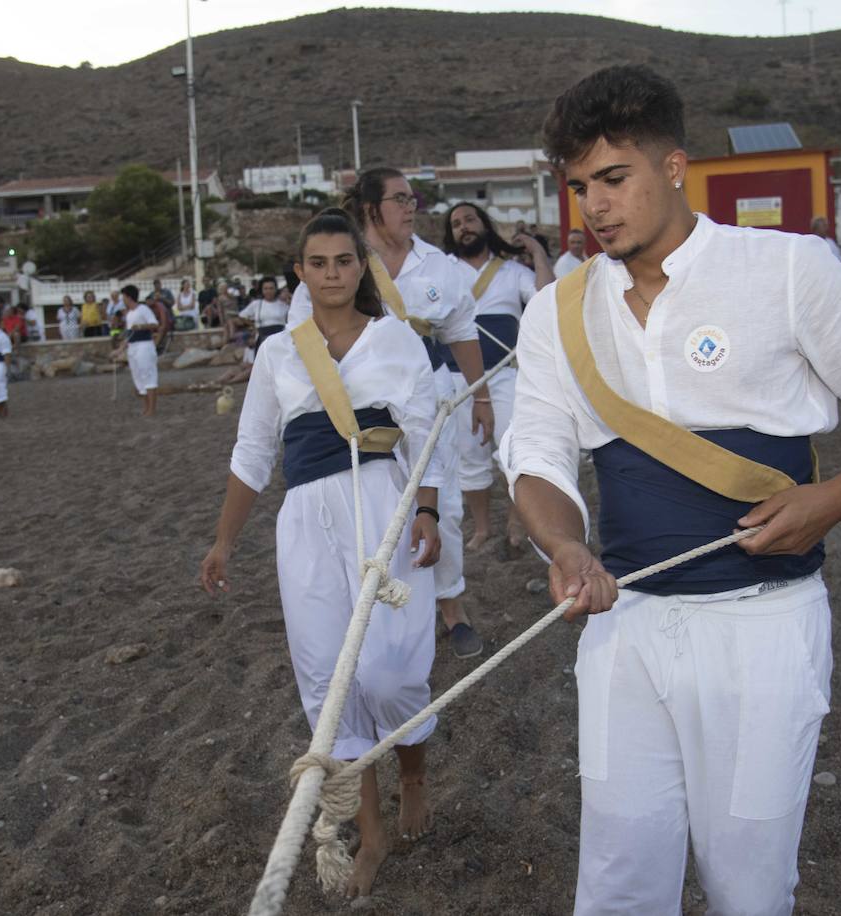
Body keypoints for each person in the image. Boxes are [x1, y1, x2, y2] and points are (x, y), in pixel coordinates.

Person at [508, 65, 841, 915]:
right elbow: (538, 454)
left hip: (765, 628)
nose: (594, 207)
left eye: (613, 179)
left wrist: (837, 496)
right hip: (623, 628)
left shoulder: (785, 269)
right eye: (578, 187)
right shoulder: (554, 313)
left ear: (674, 167)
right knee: (617, 876)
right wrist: (564, 545)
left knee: (748, 883)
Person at [199, 209, 443, 898]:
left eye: (344, 260)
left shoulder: (396, 340)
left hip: (384, 508)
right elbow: (252, 451)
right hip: (306, 520)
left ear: (360, 268)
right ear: (300, 273)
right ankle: (369, 831)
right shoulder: (279, 351)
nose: (333, 273)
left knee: (390, 673)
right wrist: (224, 540)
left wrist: (427, 510)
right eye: (319, 262)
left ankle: (414, 774)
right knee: (329, 683)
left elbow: (426, 432)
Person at [287, 168, 489, 660]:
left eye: (412, 198)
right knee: (373, 501)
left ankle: (451, 607)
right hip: (359, 404)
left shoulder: (439, 265)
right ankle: (379, 604)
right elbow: (301, 338)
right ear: (371, 208)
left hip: (435, 398)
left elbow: (462, 332)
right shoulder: (343, 262)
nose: (410, 207)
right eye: (399, 199)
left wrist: (481, 397)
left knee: (444, 503)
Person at [443, 201, 550, 553]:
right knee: (469, 455)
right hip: (459, 380)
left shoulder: (511, 272)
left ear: (485, 225)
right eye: (456, 223)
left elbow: (547, 298)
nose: (464, 227)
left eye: (470, 219)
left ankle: (518, 516)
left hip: (504, 376)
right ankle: (484, 527)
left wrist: (535, 250)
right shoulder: (441, 269)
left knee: (513, 449)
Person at [116, 284, 159, 417]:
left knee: (148, 376)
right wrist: (120, 349)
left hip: (144, 346)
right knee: (138, 377)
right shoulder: (130, 314)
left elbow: (155, 324)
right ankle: (146, 407)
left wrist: (141, 326)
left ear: (128, 297)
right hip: (133, 347)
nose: (122, 299)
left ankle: (151, 409)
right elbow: (129, 335)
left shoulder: (143, 309)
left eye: (123, 297)